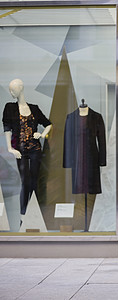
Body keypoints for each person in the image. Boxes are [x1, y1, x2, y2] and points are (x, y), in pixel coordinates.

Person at [2, 79, 52, 226]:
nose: (11, 92)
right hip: (20, 150)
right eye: (10, 90)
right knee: (25, 181)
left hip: (35, 149)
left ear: (21, 89)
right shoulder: (10, 108)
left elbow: (48, 124)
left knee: (35, 181)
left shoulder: (34, 109)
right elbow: (7, 129)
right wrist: (11, 149)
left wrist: (42, 135)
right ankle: (23, 215)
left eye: (13, 89)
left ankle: (35, 214)